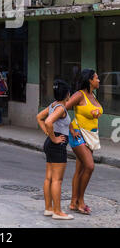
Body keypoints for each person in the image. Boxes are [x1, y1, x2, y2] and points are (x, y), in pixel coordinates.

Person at [66, 69, 103, 215]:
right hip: (78, 134)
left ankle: (73, 202)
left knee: (80, 170)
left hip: (90, 136)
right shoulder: (79, 95)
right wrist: (71, 128)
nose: (99, 80)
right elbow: (62, 109)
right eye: (96, 78)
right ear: (90, 80)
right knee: (90, 166)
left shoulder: (92, 95)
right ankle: (81, 201)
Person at [36, 79, 74, 220]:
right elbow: (47, 121)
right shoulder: (60, 108)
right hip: (57, 144)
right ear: (67, 95)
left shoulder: (53, 105)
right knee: (57, 180)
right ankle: (57, 212)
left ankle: (49, 208)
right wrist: (54, 138)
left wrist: (48, 134)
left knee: (49, 178)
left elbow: (39, 117)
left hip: (50, 144)